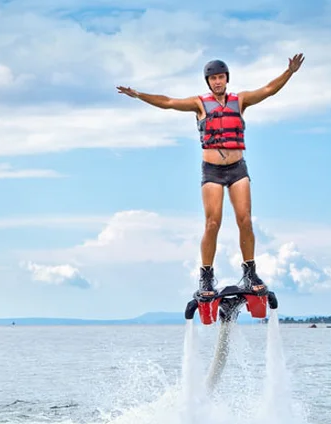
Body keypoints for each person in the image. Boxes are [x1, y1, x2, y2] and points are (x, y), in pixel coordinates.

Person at [116, 53, 305, 301]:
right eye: (213, 78)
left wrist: (289, 72)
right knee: (212, 223)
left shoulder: (241, 100)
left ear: (227, 79)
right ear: (208, 82)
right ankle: (206, 275)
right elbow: (168, 102)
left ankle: (250, 273)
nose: (218, 82)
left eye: (221, 77)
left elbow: (269, 89)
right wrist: (139, 95)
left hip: (238, 169)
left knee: (245, 220)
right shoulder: (199, 104)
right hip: (212, 171)